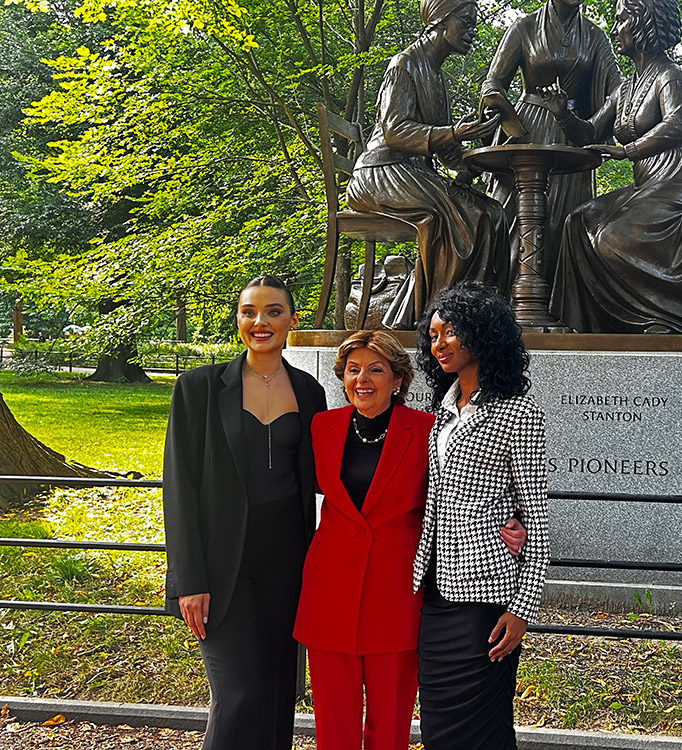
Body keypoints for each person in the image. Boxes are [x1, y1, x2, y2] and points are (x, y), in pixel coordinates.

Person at [293, 330, 526, 750]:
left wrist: (507, 520)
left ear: (398, 379)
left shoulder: (427, 430)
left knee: (391, 721)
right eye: (353, 369)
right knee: (333, 722)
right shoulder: (321, 427)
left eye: (376, 369)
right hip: (329, 591)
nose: (362, 379)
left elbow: (466, 487)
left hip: (396, 591)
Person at [162, 276, 328, 750]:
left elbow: (327, 477)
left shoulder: (310, 392)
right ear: (238, 320)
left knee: (277, 694)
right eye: (249, 312)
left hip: (286, 565)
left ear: (292, 321)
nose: (261, 322)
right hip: (219, 568)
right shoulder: (199, 388)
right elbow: (180, 488)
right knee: (239, 694)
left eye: (273, 311)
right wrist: (189, 581)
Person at [412, 280, 550, 750]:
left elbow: (535, 516)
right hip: (434, 589)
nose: (439, 344)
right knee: (437, 723)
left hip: (486, 596)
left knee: (484, 728)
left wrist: (522, 609)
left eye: (450, 332)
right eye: (432, 336)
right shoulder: (442, 410)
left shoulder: (519, 411)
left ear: (483, 334)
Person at [541, 0, 682, 334]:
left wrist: (629, 150)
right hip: (649, 184)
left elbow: (680, 125)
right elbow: (590, 132)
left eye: (621, 20)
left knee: (614, 236)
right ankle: (588, 324)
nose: (615, 29)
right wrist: (562, 113)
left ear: (644, 24)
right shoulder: (625, 89)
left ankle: (675, 317)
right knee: (577, 221)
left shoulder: (670, 76)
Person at [346, 0, 510, 329]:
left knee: (493, 214)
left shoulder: (435, 76)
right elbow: (394, 131)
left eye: (473, 23)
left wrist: (482, 149)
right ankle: (439, 318)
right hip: (381, 173)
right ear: (439, 21)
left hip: (414, 172)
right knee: (462, 217)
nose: (471, 31)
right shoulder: (404, 64)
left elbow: (446, 153)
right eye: (465, 22)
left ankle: (478, 317)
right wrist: (452, 132)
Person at [480, 0, 620, 286]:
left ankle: (558, 305)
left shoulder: (595, 36)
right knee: (511, 217)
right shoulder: (524, 27)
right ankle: (505, 296)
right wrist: (495, 101)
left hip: (572, 135)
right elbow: (494, 80)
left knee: (565, 223)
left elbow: (617, 89)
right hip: (528, 132)